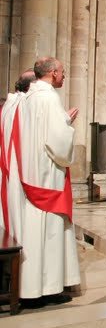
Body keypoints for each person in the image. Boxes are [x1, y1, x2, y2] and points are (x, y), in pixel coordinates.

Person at [16, 57, 80, 304]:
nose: (64, 76)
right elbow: (57, 141)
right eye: (63, 72)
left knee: (36, 231)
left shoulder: (29, 97)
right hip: (47, 175)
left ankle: (33, 287)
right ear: (53, 73)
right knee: (50, 232)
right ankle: (49, 289)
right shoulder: (49, 97)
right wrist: (66, 123)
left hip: (32, 171)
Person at [0, 69, 36, 240]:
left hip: (9, 167)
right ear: (32, 86)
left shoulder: (10, 103)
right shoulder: (24, 105)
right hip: (21, 168)